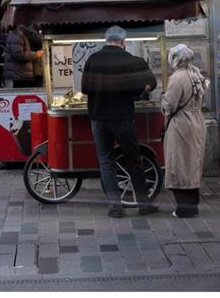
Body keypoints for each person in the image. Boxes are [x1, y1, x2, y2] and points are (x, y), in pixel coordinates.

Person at [81, 26, 159, 218]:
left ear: (106, 40)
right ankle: (143, 204)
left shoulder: (93, 60)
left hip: (99, 118)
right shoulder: (134, 60)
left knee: (106, 161)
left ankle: (115, 206)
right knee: (133, 159)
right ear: (123, 42)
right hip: (123, 117)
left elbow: (85, 89)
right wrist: (140, 91)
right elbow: (151, 83)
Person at [161, 44, 209, 218]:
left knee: (179, 164)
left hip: (182, 124)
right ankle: (193, 206)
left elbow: (170, 105)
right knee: (192, 164)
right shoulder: (195, 73)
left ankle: (184, 209)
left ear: (175, 58)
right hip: (197, 120)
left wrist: (162, 99)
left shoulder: (177, 77)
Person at [3, 24, 40, 89]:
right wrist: (36, 54)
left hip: (20, 73)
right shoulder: (18, 35)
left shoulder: (21, 34)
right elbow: (18, 55)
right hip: (19, 74)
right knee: (21, 93)